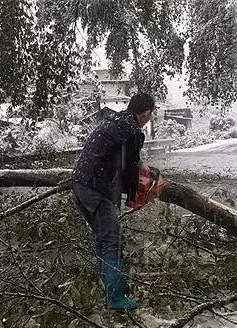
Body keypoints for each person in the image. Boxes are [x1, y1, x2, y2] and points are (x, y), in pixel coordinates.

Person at [71, 93, 155, 311]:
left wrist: (142, 167)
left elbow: (124, 158)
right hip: (98, 190)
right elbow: (129, 170)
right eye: (149, 114)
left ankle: (107, 289)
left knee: (102, 237)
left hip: (80, 185)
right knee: (112, 240)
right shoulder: (133, 131)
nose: (149, 118)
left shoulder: (113, 121)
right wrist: (140, 189)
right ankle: (116, 298)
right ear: (145, 113)